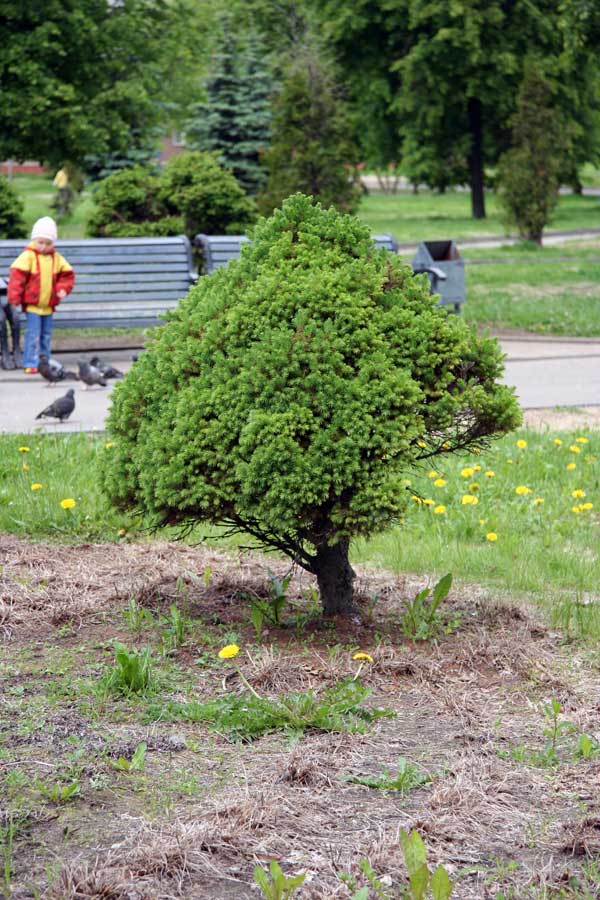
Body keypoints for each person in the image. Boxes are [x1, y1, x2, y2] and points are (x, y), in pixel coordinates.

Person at [7, 216, 75, 373]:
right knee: (33, 335)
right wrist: (14, 297)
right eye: (40, 242)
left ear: (53, 243)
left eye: (48, 243)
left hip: (48, 305)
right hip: (33, 306)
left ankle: (45, 361)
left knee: (46, 335)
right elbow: (17, 277)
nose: (44, 247)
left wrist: (63, 287)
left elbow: (67, 274)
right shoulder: (28, 256)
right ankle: (31, 362)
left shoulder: (56, 258)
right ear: (34, 240)